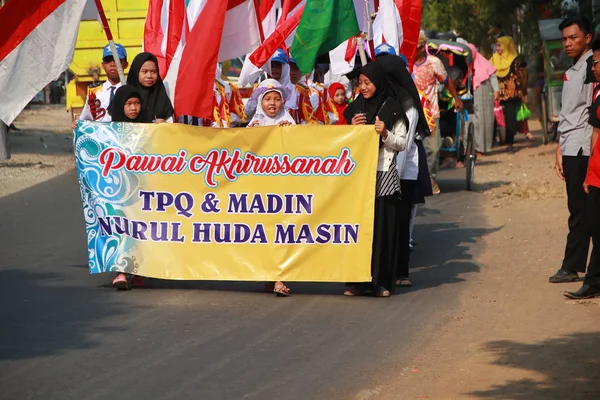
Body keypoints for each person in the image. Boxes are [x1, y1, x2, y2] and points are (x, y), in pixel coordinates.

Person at [343, 63, 408, 297]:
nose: (363, 87)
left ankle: (381, 282)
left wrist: (385, 133)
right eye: (360, 83)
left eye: (367, 83)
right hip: (359, 174)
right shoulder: (354, 109)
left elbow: (402, 143)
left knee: (383, 228)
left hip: (383, 173)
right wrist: (352, 129)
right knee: (359, 228)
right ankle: (356, 282)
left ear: (378, 82)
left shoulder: (392, 108)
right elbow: (340, 144)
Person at [550, 16, 598, 284]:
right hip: (571, 146)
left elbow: (593, 111)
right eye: (565, 38)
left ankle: (573, 266)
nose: (567, 43)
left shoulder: (593, 66)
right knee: (579, 208)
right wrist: (559, 147)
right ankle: (577, 265)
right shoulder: (575, 68)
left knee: (582, 210)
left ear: (588, 38)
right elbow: (569, 114)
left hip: (583, 148)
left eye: (573, 38)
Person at [246, 79, 295, 296]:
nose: (272, 103)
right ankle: (268, 275)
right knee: (261, 234)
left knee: (280, 233)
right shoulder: (252, 126)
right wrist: (251, 136)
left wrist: (289, 134)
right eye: (267, 99)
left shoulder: (289, 123)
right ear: (260, 103)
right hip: (258, 191)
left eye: (276, 99)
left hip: (282, 189)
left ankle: (279, 279)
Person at [565, 38, 600, 299]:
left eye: (597, 62)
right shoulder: (597, 90)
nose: (594, 67)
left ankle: (590, 278)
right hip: (593, 167)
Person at [413, 31, 464, 194]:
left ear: (421, 47)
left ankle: (430, 177)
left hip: (430, 114)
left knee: (433, 149)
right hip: (410, 114)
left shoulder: (434, 63)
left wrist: (456, 99)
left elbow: (446, 80)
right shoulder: (405, 64)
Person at [72, 43, 129, 129]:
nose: (113, 64)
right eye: (108, 60)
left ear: (125, 64)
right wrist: (78, 125)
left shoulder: (130, 90)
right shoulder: (95, 91)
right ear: (103, 65)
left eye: (117, 60)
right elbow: (87, 118)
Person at [490, 36, 526, 153]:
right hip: (496, 94)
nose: (497, 48)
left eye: (500, 45)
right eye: (496, 45)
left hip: (510, 95)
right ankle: (493, 141)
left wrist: (521, 90)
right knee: (493, 118)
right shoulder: (493, 59)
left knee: (510, 119)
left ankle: (510, 143)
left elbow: (519, 75)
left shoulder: (513, 59)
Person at [467, 43, 500, 155]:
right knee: (474, 121)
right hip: (473, 94)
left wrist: (496, 90)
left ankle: (484, 148)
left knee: (485, 121)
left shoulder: (484, 63)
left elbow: (493, 76)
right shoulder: (467, 65)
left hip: (485, 93)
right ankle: (474, 147)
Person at [126, 52, 174, 123]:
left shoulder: (161, 98)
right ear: (136, 72)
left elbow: (171, 125)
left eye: (153, 72)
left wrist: (164, 125)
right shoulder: (125, 95)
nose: (149, 76)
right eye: (144, 72)